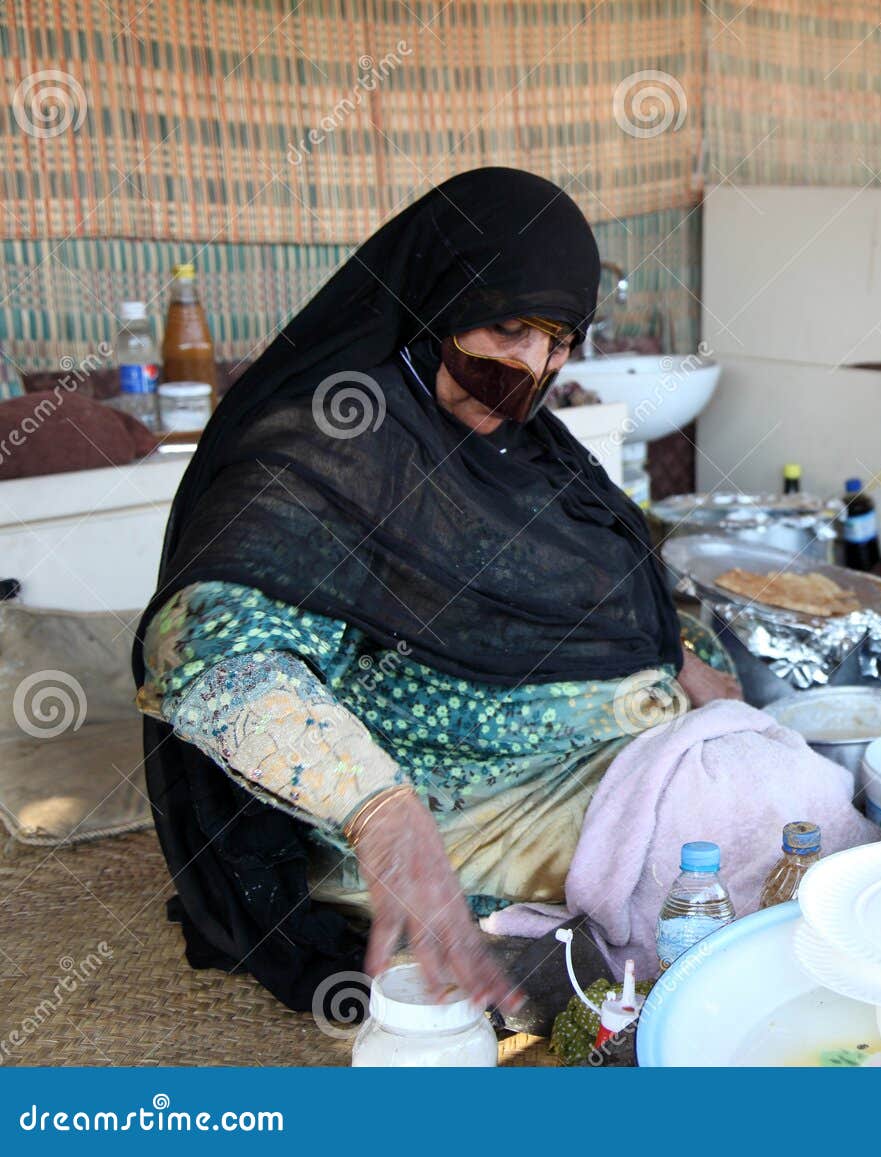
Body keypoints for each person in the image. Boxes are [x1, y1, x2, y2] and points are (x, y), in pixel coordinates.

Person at [133, 169, 740, 1014]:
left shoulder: (529, 446)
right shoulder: (333, 443)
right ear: (433, 294)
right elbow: (203, 650)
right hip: (463, 815)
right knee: (728, 883)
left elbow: (624, 579)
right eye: (505, 326)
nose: (528, 369)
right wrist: (380, 812)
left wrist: (684, 659)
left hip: (612, 765)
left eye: (559, 339)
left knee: (780, 807)